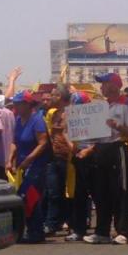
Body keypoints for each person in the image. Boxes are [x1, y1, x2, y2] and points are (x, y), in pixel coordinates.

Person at [84, 73, 128, 245]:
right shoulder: (100, 106)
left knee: (120, 190)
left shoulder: (125, 105)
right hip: (101, 149)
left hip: (117, 148)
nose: (101, 87)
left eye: (104, 84)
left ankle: (123, 231)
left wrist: (118, 126)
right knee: (101, 192)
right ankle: (102, 231)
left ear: (114, 85)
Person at [7, 90, 49, 244]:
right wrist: (10, 159)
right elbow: (14, 142)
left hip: (36, 166)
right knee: (23, 197)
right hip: (22, 166)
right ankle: (31, 230)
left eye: (18, 103)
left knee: (30, 197)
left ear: (27, 104)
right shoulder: (18, 120)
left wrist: (29, 159)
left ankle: (36, 232)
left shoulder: (37, 120)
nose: (16, 106)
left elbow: (43, 143)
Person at [65, 91, 95, 242]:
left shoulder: (96, 119)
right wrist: (74, 147)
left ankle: (102, 229)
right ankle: (79, 229)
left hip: (93, 158)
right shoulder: (71, 119)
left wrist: (88, 150)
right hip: (78, 158)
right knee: (79, 195)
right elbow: (67, 135)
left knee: (99, 195)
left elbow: (101, 140)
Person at [43, 84, 73, 236]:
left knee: (70, 193)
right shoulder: (53, 114)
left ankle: (72, 222)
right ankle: (52, 224)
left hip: (70, 159)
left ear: (60, 97)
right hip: (54, 158)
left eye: (53, 95)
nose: (50, 97)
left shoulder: (73, 113)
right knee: (53, 192)